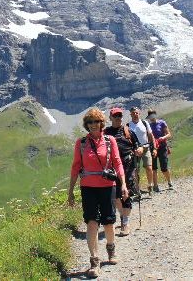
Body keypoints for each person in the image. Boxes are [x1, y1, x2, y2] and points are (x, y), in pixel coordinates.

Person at [68, 108, 128, 277]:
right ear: (86, 125)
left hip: (108, 186)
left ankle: (111, 249)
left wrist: (123, 184)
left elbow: (117, 163)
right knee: (92, 222)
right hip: (88, 187)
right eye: (90, 122)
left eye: (96, 121)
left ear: (102, 123)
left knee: (108, 222)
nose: (93, 125)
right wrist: (71, 191)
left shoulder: (110, 141)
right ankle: (94, 260)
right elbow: (75, 167)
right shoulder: (81, 143)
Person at [103, 107, 142, 236]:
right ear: (110, 118)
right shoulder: (105, 133)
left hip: (128, 165)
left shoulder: (128, 131)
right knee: (115, 196)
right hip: (112, 169)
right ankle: (122, 216)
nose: (118, 118)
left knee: (126, 193)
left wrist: (140, 150)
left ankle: (125, 223)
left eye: (120, 116)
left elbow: (138, 145)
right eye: (115, 116)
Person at [128, 107, 156, 196]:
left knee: (149, 167)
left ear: (139, 113)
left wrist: (154, 148)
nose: (135, 114)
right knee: (136, 170)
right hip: (135, 150)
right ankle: (137, 189)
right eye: (133, 113)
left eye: (136, 113)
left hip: (146, 147)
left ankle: (150, 186)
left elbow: (150, 135)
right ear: (131, 115)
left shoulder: (144, 123)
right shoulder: (128, 125)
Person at [147, 109, 173, 191]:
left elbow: (169, 134)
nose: (151, 118)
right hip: (152, 148)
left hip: (162, 147)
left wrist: (163, 138)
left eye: (152, 116)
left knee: (164, 166)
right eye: (150, 117)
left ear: (155, 115)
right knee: (154, 167)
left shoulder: (162, 123)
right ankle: (155, 185)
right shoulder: (149, 126)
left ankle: (169, 182)